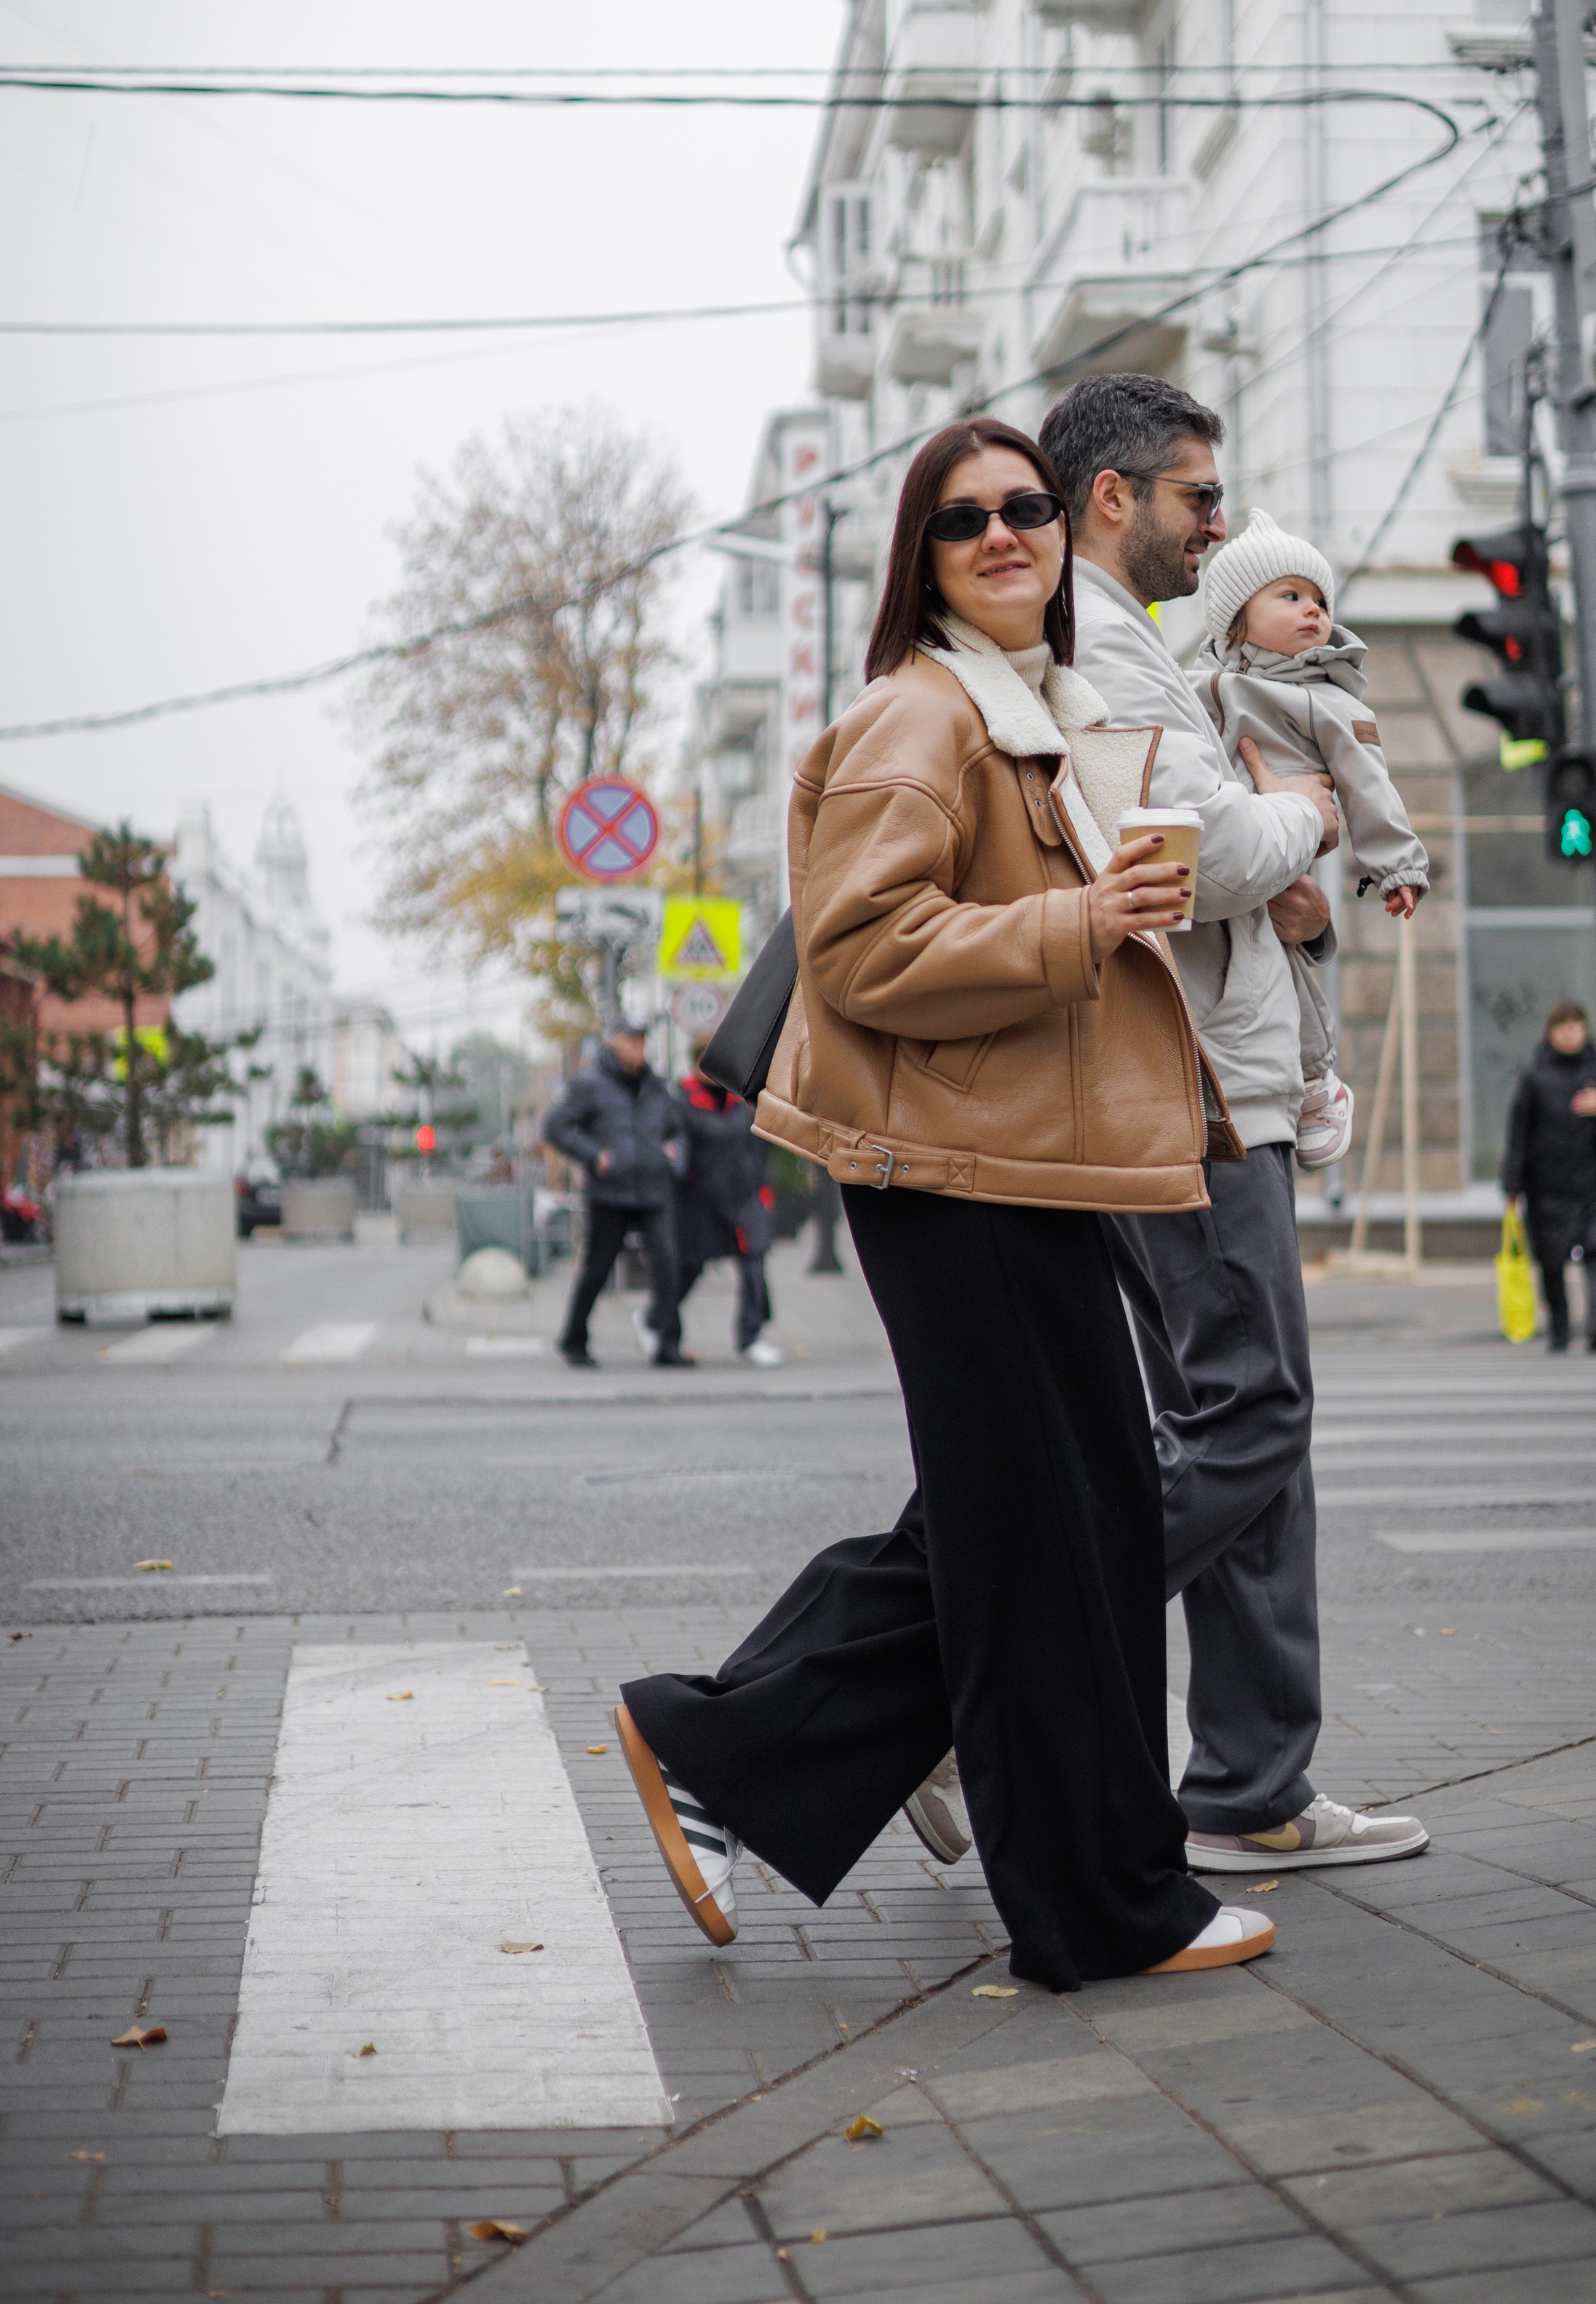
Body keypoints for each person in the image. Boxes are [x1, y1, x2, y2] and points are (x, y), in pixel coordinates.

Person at [611, 415, 1279, 1990]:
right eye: (962, 518)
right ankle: (1094, 1910)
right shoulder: (922, 717)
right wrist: (1074, 921)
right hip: (955, 1175)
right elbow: (860, 952)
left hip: (1023, 1164)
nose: (1002, 535)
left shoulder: (1034, 703)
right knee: (1044, 1541)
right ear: (919, 557)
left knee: (1062, 1524)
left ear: (1062, 529)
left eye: (1026, 509)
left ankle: (723, 1746)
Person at [1009, 371, 1429, 1875]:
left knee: (1247, 1437)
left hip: (1205, 1081)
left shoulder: (1138, 646)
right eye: (1199, 496)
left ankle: (1250, 1785)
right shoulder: (1105, 656)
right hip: (1180, 1093)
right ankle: (968, 1683)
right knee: (1248, 1416)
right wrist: (1310, 813)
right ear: (1110, 496)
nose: (1219, 526)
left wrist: (1282, 838)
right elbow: (1190, 858)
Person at [1195, 507, 1431, 1169]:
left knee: (1291, 967)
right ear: (1236, 617)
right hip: (1230, 841)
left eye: (1321, 600)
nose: (1313, 612)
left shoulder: (1326, 699)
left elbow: (1368, 785)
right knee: (1249, 966)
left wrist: (1397, 866)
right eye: (1291, 596)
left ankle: (1318, 1080)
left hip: (1285, 851)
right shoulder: (1202, 683)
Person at [542, 1018, 691, 1368]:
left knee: (669, 1265)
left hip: (654, 1189)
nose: (639, 1047)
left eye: (642, 1040)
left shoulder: (656, 1086)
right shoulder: (590, 1084)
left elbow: (677, 1130)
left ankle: (667, 1344)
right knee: (597, 1268)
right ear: (614, 1043)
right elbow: (555, 1126)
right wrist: (595, 1156)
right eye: (632, 1040)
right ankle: (573, 1340)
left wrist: (675, 1158)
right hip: (611, 1193)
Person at [1503, 1000, 1596, 1354]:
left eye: (1576, 1024)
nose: (1570, 1031)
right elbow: (1519, 1132)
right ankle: (1560, 1330)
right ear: (1550, 1034)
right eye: (1563, 1026)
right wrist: (1512, 1185)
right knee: (1552, 1260)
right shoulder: (1535, 1077)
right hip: (1548, 1187)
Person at [674, 1042, 782, 1366]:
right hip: (702, 1202)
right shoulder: (681, 1101)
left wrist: (763, 1186)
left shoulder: (740, 1099)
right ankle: (656, 1318)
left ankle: (750, 1337)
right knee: (691, 1267)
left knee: (754, 1263)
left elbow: (757, 1146)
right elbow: (679, 1153)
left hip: (744, 1197)